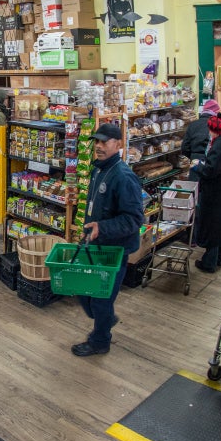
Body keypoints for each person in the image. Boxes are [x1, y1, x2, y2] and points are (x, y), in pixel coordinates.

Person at [73, 122, 145, 357]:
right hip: (98, 244)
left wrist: (101, 228)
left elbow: (134, 220)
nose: (99, 146)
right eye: (97, 141)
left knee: (100, 298)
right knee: (85, 293)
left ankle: (100, 341)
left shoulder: (124, 177)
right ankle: (106, 317)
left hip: (115, 250)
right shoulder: (99, 169)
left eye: (105, 142)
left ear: (119, 144)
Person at [191, 115, 221, 273]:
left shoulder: (218, 146)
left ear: (213, 130)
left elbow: (211, 171)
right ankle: (220, 257)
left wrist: (197, 166)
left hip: (216, 193)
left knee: (213, 227)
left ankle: (209, 262)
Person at [181, 99, 221, 183]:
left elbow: (185, 147)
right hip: (210, 163)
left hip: (195, 163)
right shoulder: (216, 126)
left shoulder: (192, 125)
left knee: (195, 191)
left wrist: (194, 156)